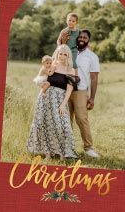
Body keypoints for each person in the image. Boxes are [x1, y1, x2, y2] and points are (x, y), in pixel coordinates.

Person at [26, 45, 78, 159]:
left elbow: (69, 88)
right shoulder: (51, 65)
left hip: (60, 99)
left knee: (62, 126)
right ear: (57, 54)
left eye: (65, 54)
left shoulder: (71, 70)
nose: (62, 56)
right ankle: (47, 152)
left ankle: (62, 152)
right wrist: (40, 84)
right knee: (43, 124)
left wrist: (64, 104)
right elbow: (40, 78)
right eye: (60, 53)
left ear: (68, 55)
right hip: (45, 98)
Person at [68, 29, 101, 158]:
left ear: (88, 40)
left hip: (80, 91)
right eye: (80, 37)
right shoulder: (70, 51)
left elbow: (94, 78)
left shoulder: (92, 56)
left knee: (82, 119)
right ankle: (67, 147)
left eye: (85, 38)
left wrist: (92, 98)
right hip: (65, 89)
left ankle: (88, 148)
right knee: (65, 119)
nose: (81, 39)